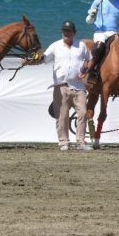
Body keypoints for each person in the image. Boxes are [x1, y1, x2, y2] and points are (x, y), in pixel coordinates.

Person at [41, 20, 93, 151]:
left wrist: (86, 70)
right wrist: (30, 59)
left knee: (82, 113)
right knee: (61, 116)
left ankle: (81, 141)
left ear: (74, 32)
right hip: (61, 86)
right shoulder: (55, 46)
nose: (66, 33)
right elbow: (43, 58)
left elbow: (90, 59)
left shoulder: (81, 46)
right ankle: (64, 142)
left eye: (69, 31)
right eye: (64, 30)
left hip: (79, 86)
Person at [84, 0, 119, 84]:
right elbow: (88, 21)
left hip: (114, 32)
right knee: (99, 47)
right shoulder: (97, 2)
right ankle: (93, 71)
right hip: (100, 33)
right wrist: (92, 15)